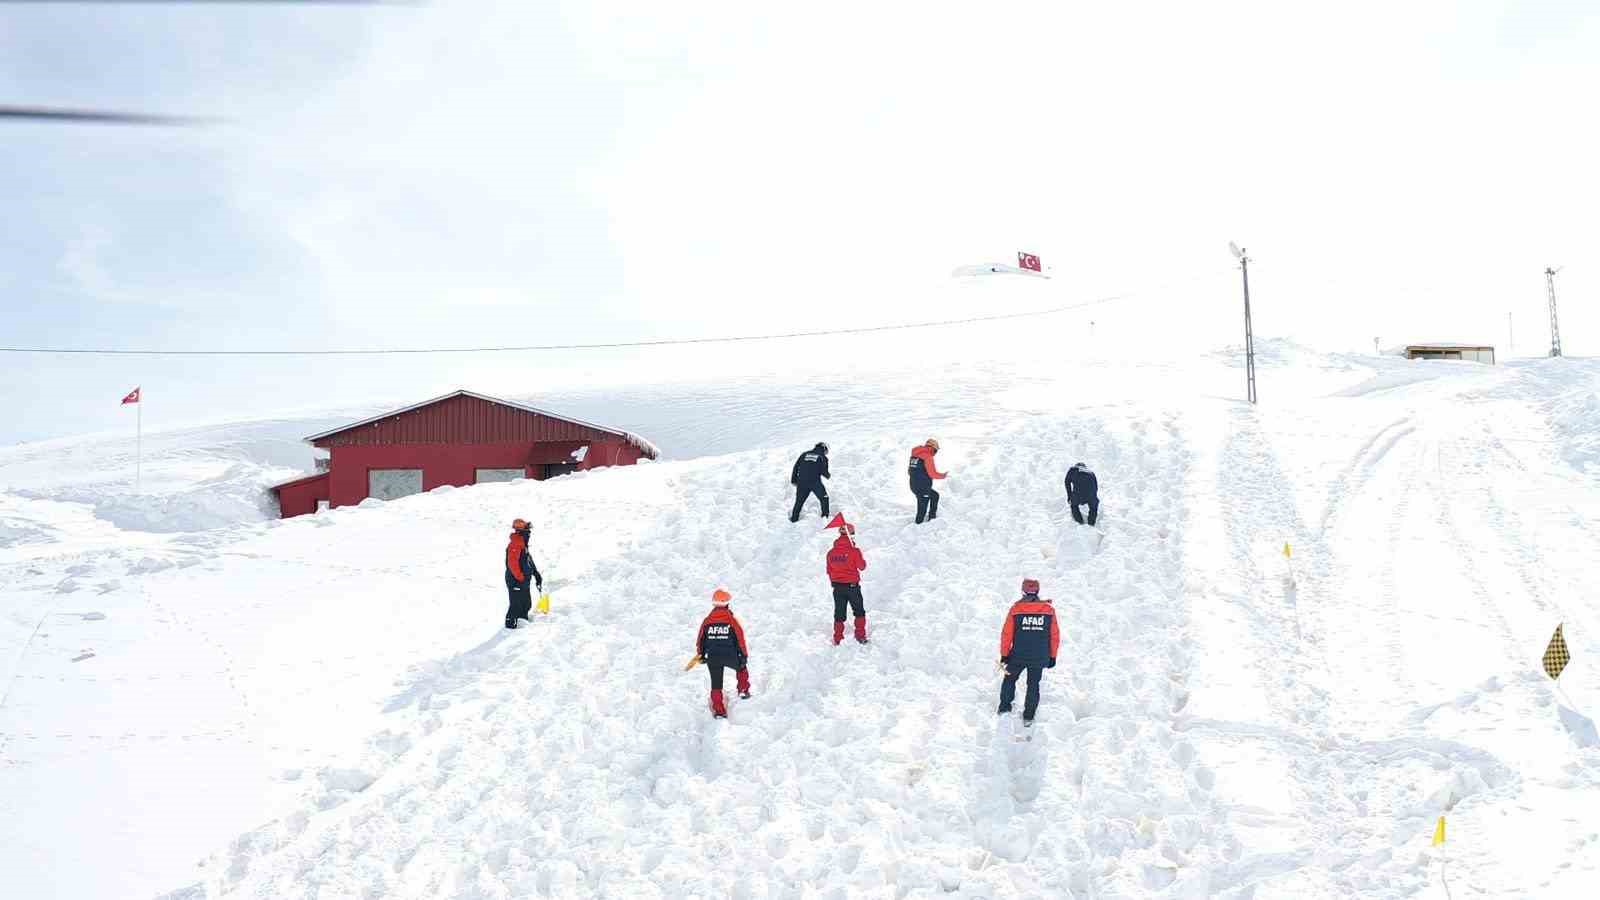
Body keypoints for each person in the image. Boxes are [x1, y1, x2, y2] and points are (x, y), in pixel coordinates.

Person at [997, 578, 1061, 725]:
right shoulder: (1049, 610)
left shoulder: (1015, 609)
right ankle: (1028, 717)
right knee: (1033, 685)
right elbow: (1055, 636)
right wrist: (1052, 656)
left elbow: (1007, 634)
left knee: (1009, 679)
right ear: (1037, 591)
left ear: (1023, 591)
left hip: (1017, 656)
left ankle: (1004, 709)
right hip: (1039, 657)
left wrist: (1004, 654)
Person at [695, 588, 751, 719]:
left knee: (716, 684)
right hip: (730, 655)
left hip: (713, 657)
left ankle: (719, 711)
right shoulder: (731, 621)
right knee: (741, 668)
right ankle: (743, 690)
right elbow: (740, 639)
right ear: (727, 603)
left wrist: (701, 654)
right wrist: (744, 655)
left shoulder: (707, 621)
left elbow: (700, 640)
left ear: (714, 604)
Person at [824, 520, 868, 645]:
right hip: (852, 587)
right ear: (851, 534)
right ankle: (860, 636)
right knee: (859, 611)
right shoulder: (855, 551)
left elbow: (829, 570)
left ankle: (837, 638)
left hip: (837, 588)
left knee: (839, 613)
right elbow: (862, 566)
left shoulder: (831, 553)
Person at [504, 518, 543, 629]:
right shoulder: (515, 544)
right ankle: (510, 630)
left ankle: (523, 628)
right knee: (516, 606)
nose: (529, 533)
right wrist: (520, 578)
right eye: (527, 530)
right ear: (522, 531)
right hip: (515, 580)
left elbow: (528, 560)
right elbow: (512, 564)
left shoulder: (522, 544)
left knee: (526, 604)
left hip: (522, 580)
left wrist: (536, 573)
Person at [907, 438, 946, 524]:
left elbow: (909, 471)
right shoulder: (928, 456)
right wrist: (943, 476)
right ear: (933, 448)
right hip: (923, 488)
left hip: (914, 485)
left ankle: (932, 517)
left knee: (935, 496)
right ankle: (917, 527)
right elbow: (933, 474)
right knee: (922, 510)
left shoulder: (914, 455)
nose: (936, 452)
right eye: (936, 450)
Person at [790, 442, 831, 522]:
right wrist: (828, 476)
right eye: (826, 451)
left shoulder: (804, 454)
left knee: (799, 501)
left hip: (801, 482)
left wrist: (793, 480)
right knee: (824, 498)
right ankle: (825, 519)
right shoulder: (822, 457)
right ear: (824, 448)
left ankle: (794, 519)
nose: (826, 453)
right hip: (814, 482)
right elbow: (824, 471)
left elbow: (796, 467)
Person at [1065, 462, 1099, 526]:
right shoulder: (1091, 472)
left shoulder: (1073, 469)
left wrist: (1069, 497)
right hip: (1091, 495)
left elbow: (1067, 482)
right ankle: (1091, 525)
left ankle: (1080, 523)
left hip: (1078, 494)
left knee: (1074, 505)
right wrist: (1093, 498)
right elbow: (1096, 487)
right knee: (1093, 508)